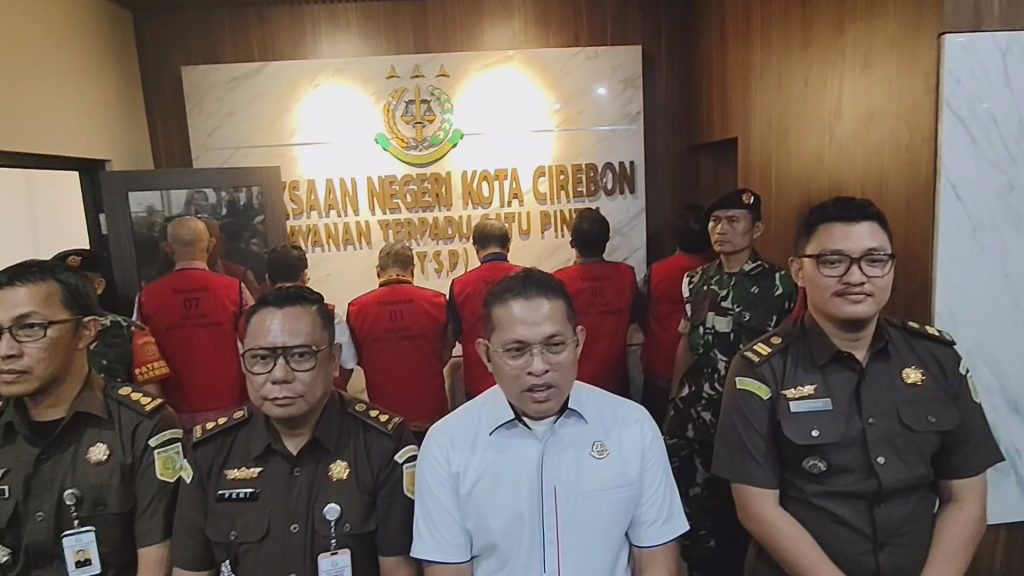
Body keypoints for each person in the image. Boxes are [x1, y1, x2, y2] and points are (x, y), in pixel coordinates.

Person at [713, 197, 1004, 576]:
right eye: (833, 261)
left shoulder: (937, 360)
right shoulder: (761, 370)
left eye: (874, 260)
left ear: (891, 266)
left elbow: (965, 499)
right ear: (798, 270)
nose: (856, 277)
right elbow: (758, 509)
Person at [413, 269, 688, 576]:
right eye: (516, 351)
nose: (538, 366)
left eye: (555, 345)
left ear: (578, 343)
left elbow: (656, 559)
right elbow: (448, 569)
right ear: (486, 355)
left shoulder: (632, 427)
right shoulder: (447, 444)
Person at [171, 287, 419, 576]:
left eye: (301, 356)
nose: (279, 375)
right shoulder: (211, 452)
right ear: (243, 363)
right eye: (261, 358)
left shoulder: (382, 445)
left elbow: (398, 568)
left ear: (334, 360)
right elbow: (191, 570)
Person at [0, 260, 182, 575]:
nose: (6, 350)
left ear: (86, 331)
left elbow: (157, 557)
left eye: (30, 328)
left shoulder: (143, 426)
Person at [663, 188, 797, 576]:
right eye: (715, 221)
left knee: (742, 521)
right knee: (694, 520)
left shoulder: (780, 284)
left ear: (757, 230)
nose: (721, 230)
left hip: (747, 421)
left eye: (733, 221)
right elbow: (686, 342)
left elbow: (789, 352)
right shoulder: (696, 280)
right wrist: (674, 400)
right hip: (693, 419)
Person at [137, 216, 252, 428]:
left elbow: (143, 360)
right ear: (210, 244)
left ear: (168, 248)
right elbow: (255, 343)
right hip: (232, 406)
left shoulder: (146, 297)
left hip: (173, 411)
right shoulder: (235, 289)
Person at [348, 243, 453, 441]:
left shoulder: (356, 309)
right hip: (430, 413)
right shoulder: (437, 302)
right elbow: (446, 350)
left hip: (382, 418)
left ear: (378, 271)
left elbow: (359, 357)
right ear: (412, 270)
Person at [51, 248, 171, 396]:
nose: (71, 291)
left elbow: (151, 394)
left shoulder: (131, 331)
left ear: (99, 286)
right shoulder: (41, 333)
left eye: (80, 284)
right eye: (62, 285)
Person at [554, 208, 641, 396]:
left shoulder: (559, 281)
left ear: (572, 243)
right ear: (607, 240)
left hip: (572, 384)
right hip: (615, 383)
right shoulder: (626, 275)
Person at [639, 207, 713, 423]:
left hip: (659, 370)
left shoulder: (656, 271)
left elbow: (640, 311)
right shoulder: (717, 273)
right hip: (704, 374)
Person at [264, 244, 359, 388]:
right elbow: (347, 364)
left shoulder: (251, 320)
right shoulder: (329, 315)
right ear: (303, 277)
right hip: (321, 395)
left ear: (268, 280)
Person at [448, 220, 520, 400]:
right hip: (521, 380)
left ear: (476, 247)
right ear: (508, 244)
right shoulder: (528, 279)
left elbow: (456, 334)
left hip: (478, 385)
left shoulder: (460, 285)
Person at [202, 217, 262, 299]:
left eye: (208, 240)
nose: (202, 246)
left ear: (221, 240)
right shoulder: (184, 279)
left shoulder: (240, 275)